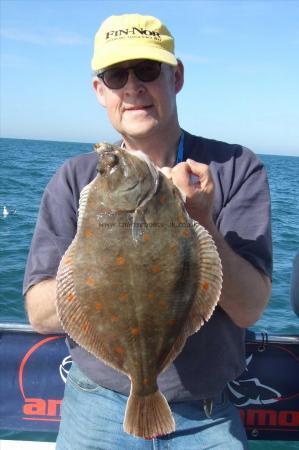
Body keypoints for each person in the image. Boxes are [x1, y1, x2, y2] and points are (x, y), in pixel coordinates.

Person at [23, 13, 272, 449]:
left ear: (175, 77)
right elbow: (40, 315)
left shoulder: (234, 169)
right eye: (117, 75)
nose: (133, 86)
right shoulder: (72, 179)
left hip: (207, 413)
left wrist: (201, 219)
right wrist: (95, 254)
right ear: (101, 91)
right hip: (96, 405)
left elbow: (250, 309)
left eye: (147, 70)